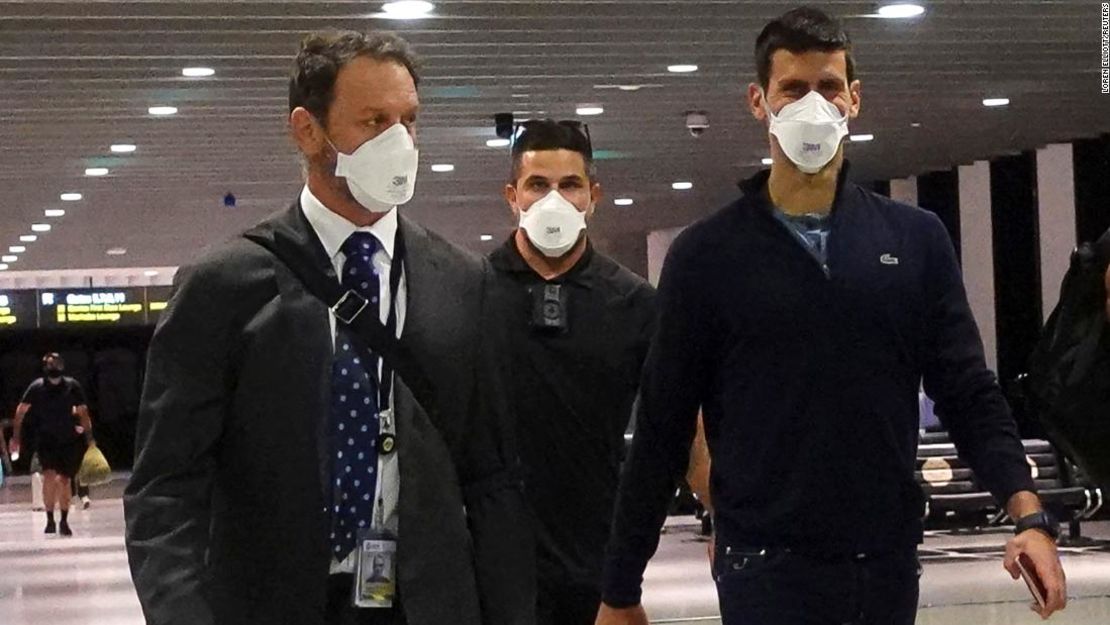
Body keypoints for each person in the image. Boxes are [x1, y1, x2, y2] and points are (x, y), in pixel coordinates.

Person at [597, 8, 1067, 625]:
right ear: (758, 102)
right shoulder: (707, 256)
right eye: (793, 89)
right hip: (763, 566)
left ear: (854, 99)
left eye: (828, 88)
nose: (812, 105)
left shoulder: (915, 239)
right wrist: (620, 589)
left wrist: (1028, 514)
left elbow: (967, 390)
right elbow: (663, 426)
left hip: (886, 562)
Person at [124, 30, 533, 625]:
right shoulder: (227, 285)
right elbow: (166, 488)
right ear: (307, 130)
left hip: (423, 602)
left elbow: (492, 478)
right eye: (374, 121)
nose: (398, 142)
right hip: (274, 603)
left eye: (409, 121)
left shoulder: (460, 282)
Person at [488, 120, 658, 625]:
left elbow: (680, 432)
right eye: (538, 185)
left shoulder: (634, 304)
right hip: (494, 573)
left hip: (599, 570)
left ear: (593, 195)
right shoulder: (470, 295)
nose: (553, 200)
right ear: (512, 195)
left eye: (570, 185)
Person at [10, 353, 94, 537]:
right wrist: (16, 437)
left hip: (68, 440)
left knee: (64, 480)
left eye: (56, 363)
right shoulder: (37, 387)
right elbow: (21, 411)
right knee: (48, 477)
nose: (54, 366)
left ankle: (63, 521)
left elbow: (83, 412)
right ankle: (49, 520)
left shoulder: (72, 386)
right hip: (46, 440)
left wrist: (90, 439)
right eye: (50, 363)